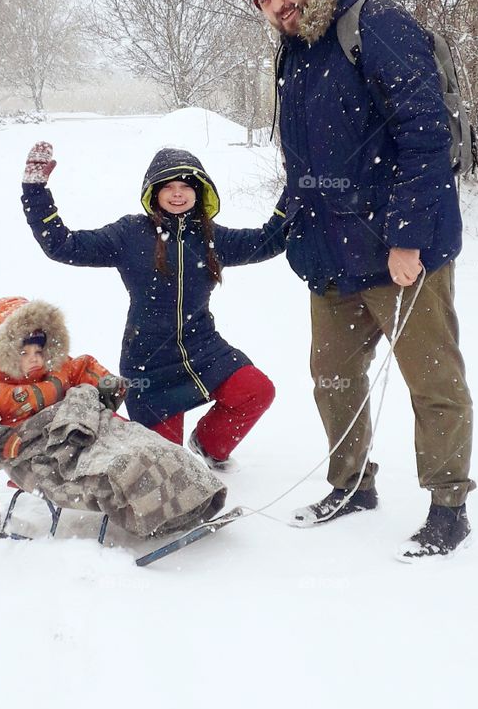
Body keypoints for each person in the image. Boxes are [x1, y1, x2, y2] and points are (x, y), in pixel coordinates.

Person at [245, 0, 474, 558]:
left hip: (399, 251)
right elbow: (305, 162)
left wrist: (406, 239)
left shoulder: (374, 23)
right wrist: (284, 224)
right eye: (264, 0)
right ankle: (352, 486)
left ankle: (449, 506)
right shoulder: (295, 54)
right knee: (333, 375)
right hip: (330, 252)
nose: (276, 6)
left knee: (431, 380)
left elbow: (425, 140)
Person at [21, 145, 287, 468]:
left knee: (256, 391)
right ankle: (178, 459)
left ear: (199, 191)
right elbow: (61, 244)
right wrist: (35, 190)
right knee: (167, 469)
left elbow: (269, 240)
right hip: (149, 366)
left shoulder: (210, 236)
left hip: (204, 351)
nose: (177, 194)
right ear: (154, 192)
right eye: (169, 187)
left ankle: (209, 446)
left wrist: (295, 186)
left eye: (186, 186)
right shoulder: (129, 234)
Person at [0, 296, 226, 539]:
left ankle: (194, 503)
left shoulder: (61, 368)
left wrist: (106, 385)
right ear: (5, 354)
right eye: (24, 353)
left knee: (154, 448)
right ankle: (155, 516)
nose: (35, 359)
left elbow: (88, 370)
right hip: (39, 453)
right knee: (124, 468)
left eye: (39, 351)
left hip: (90, 431)